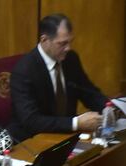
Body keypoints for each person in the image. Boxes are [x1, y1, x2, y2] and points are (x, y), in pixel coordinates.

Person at [9, 13, 108, 141]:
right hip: (32, 139)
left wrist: (109, 108)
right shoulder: (23, 71)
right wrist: (76, 123)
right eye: (62, 43)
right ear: (44, 40)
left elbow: (88, 92)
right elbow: (31, 121)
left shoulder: (71, 59)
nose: (68, 48)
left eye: (70, 42)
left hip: (65, 134)